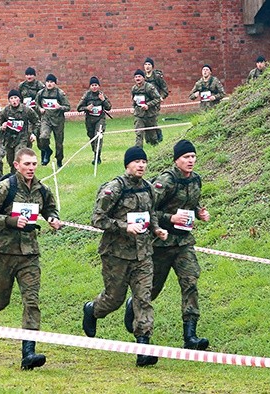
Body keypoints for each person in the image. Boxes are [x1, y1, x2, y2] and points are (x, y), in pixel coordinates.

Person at [0, 148, 61, 370]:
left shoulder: (42, 190)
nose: (31, 168)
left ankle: (28, 353)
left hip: (29, 255)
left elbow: (50, 208)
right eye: (27, 164)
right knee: (0, 301)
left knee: (31, 301)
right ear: (16, 165)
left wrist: (53, 218)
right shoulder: (5, 188)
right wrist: (11, 221)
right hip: (4, 253)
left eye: (34, 164)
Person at [82, 146, 168, 367]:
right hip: (116, 255)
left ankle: (143, 348)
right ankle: (92, 310)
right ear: (127, 164)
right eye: (136, 161)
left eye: (143, 161)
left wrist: (157, 229)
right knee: (114, 299)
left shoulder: (149, 188)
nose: (141, 165)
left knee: (143, 299)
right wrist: (124, 227)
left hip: (143, 255)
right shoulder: (114, 188)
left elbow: (151, 215)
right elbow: (97, 219)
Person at [124, 140, 211, 350]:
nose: (191, 161)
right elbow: (148, 209)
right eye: (186, 157)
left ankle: (190, 336)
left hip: (184, 243)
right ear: (176, 160)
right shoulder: (166, 181)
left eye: (193, 156)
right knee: (152, 288)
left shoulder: (196, 180)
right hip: (161, 243)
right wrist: (170, 219)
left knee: (190, 283)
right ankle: (132, 306)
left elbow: (191, 203)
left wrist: (199, 213)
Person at [0, 89, 39, 174]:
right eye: (11, 98)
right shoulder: (6, 111)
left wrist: (34, 134)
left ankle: (20, 181)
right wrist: (1, 127)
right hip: (10, 139)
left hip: (23, 139)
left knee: (18, 159)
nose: (14, 100)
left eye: (15, 98)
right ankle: (14, 178)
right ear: (9, 100)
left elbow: (36, 122)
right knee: (11, 162)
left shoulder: (26, 110)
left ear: (19, 99)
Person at [34, 74, 70, 167]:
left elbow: (68, 107)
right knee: (43, 137)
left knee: (59, 143)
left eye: (51, 82)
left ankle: (59, 160)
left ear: (55, 83)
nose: (49, 84)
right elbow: (36, 104)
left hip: (58, 121)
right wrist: (40, 109)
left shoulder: (60, 93)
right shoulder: (41, 93)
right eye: (48, 82)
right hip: (46, 119)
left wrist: (60, 107)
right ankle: (47, 150)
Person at [76, 76, 112, 165]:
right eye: (92, 85)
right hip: (90, 120)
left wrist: (103, 100)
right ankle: (95, 152)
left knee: (98, 136)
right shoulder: (87, 95)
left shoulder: (101, 95)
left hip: (100, 119)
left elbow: (109, 107)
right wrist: (86, 108)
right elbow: (79, 108)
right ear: (90, 86)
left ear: (99, 86)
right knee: (92, 137)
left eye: (96, 85)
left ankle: (97, 157)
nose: (94, 87)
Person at [131, 69, 162, 148]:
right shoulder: (134, 89)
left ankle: (156, 146)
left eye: (139, 76)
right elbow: (134, 100)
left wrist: (148, 105)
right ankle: (138, 150)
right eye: (136, 77)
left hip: (150, 114)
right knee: (139, 133)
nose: (137, 78)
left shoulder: (149, 87)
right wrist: (133, 108)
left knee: (152, 136)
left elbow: (157, 99)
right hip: (139, 115)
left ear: (143, 77)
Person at [143, 57, 169, 143]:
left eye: (149, 64)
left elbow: (165, 89)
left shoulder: (157, 77)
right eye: (146, 64)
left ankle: (157, 135)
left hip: (155, 102)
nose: (147, 66)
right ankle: (148, 139)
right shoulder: (142, 77)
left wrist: (162, 97)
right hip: (145, 102)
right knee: (145, 120)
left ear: (152, 66)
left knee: (153, 120)